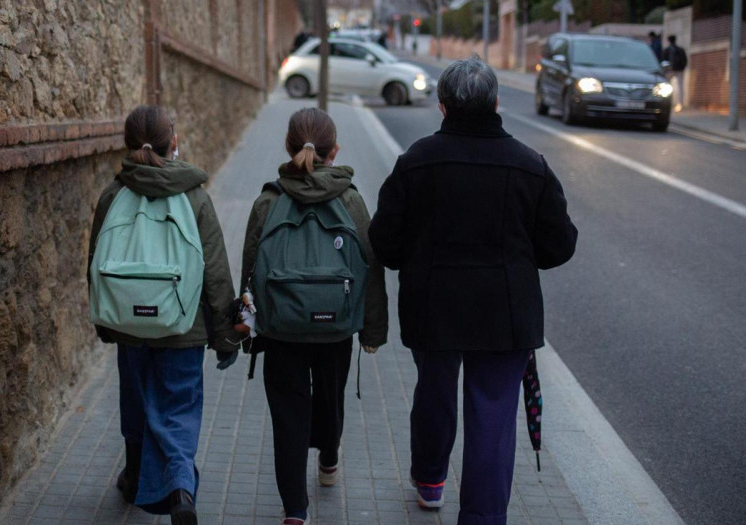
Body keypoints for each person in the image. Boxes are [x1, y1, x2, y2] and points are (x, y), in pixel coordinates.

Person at [368, 57, 577, 525]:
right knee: (493, 418)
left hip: (432, 305)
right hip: (505, 312)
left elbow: (384, 241)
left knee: (434, 393)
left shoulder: (416, 162)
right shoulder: (530, 166)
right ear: (497, 102)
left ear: (441, 107)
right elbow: (560, 245)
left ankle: (430, 480)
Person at [88, 105, 239, 525]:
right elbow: (216, 273)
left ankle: (134, 477)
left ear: (128, 144)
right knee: (177, 409)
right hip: (183, 326)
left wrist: (105, 324)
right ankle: (180, 490)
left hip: (128, 326)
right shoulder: (194, 197)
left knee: (135, 404)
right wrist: (225, 336)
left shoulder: (113, 196)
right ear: (174, 142)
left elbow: (96, 263)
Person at [240, 107, 388, 525]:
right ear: (334, 151)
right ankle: (327, 459)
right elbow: (370, 267)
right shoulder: (351, 199)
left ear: (288, 148)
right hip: (335, 326)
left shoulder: (269, 200)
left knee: (288, 414)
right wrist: (372, 331)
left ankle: (295, 510)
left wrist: (247, 328)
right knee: (330, 398)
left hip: (280, 327)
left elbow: (250, 263)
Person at [662, 35, 688, 111]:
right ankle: (680, 104)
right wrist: (682, 68)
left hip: (670, 71)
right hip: (679, 70)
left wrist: (665, 70)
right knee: (680, 87)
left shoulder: (667, 50)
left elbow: (664, 61)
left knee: (666, 87)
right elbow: (685, 60)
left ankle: (668, 102)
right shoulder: (680, 49)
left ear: (669, 41)